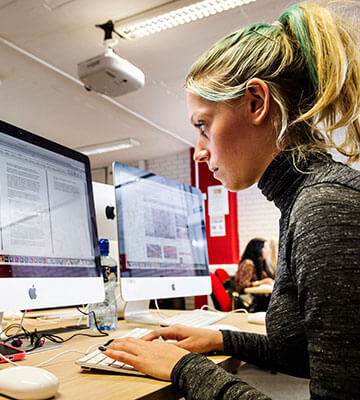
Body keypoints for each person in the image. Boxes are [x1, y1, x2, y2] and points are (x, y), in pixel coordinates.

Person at [100, 2, 360, 398]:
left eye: (203, 126)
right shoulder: (305, 199)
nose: (199, 151)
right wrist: (222, 340)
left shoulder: (323, 209)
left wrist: (184, 369)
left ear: (257, 102)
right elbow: (311, 355)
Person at [235, 238, 274, 311]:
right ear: (258, 250)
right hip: (250, 302)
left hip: (257, 299)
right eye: (265, 248)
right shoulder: (248, 263)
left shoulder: (259, 263)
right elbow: (242, 285)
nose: (269, 251)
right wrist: (261, 282)